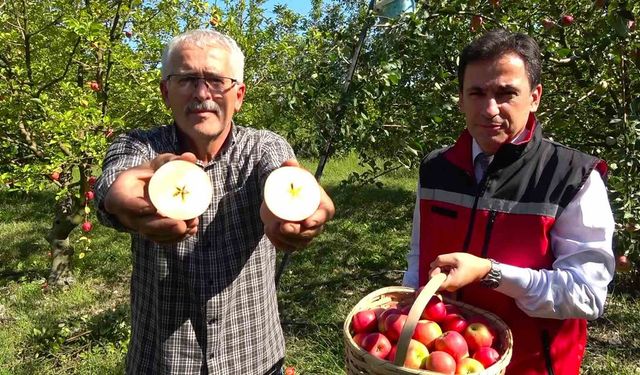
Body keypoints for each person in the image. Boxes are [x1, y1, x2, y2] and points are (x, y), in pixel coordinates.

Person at [94, 29, 335, 375]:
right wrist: (122, 202)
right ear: (165, 92)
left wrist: (286, 213)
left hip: (253, 359)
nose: (203, 93)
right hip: (162, 364)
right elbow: (114, 179)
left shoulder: (263, 148)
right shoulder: (140, 147)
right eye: (187, 79)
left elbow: (282, 175)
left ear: (238, 95)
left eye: (217, 81)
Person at [403, 29, 614, 375]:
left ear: (534, 97)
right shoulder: (436, 169)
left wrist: (492, 273)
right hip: (439, 362)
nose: (489, 110)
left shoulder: (572, 176)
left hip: (531, 365)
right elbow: (418, 257)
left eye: (506, 94)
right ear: (460, 99)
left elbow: (586, 294)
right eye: (477, 93)